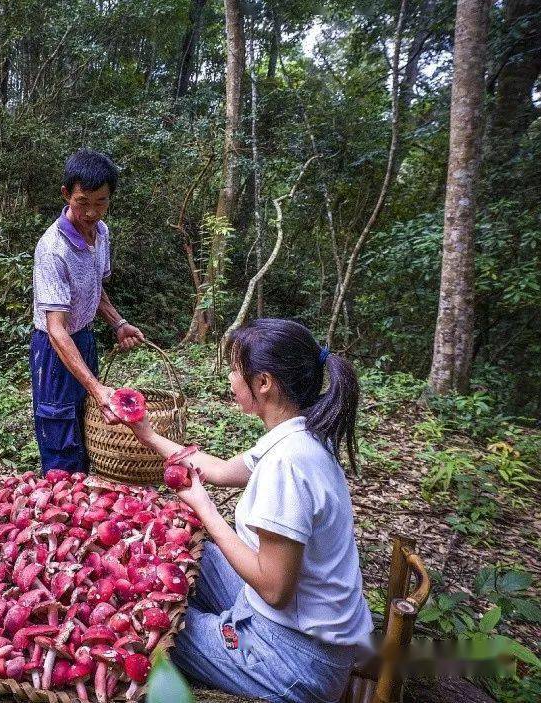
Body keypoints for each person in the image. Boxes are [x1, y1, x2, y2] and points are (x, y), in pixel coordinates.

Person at [128, 318, 372, 703]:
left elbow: (274, 588)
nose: (229, 378)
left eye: (235, 370)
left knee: (144, 622)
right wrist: (145, 431)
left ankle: (223, 640)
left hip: (295, 658)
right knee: (192, 556)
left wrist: (204, 507)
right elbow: (221, 470)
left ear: (264, 383)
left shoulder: (287, 466)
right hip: (295, 624)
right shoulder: (298, 433)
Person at [30, 148, 146, 474]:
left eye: (101, 202)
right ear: (67, 194)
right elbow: (55, 329)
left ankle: (83, 498)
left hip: (84, 339)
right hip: (54, 350)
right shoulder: (53, 249)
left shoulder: (102, 233)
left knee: (85, 423)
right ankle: (59, 501)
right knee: (60, 427)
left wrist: (118, 322)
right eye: (83, 202)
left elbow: (96, 286)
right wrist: (97, 388)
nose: (91, 212)